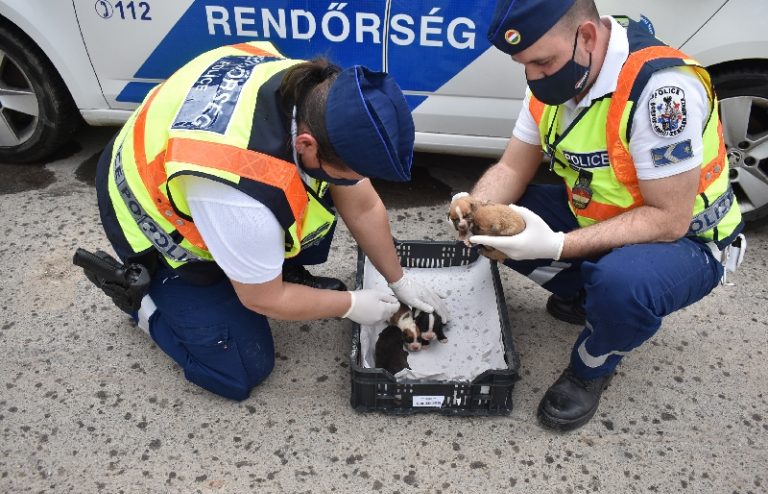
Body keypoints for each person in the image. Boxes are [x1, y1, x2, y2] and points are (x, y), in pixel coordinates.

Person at [82, 41, 447, 401]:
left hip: (186, 170)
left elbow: (364, 207)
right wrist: (349, 305)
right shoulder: (241, 198)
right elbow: (263, 298)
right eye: (352, 172)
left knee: (317, 189)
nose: (357, 180)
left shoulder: (313, 97)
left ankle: (252, 263)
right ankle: (141, 302)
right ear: (306, 144)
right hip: (149, 217)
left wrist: (398, 279)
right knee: (240, 370)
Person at [450, 0, 745, 431]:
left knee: (621, 284)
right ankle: (586, 296)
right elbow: (512, 167)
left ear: (586, 36)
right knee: (496, 223)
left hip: (687, 241)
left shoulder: (661, 91)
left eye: (543, 62)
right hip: (601, 218)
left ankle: (593, 364)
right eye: (524, 65)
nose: (534, 77)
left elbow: (669, 219)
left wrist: (558, 245)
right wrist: (473, 208)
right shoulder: (556, 74)